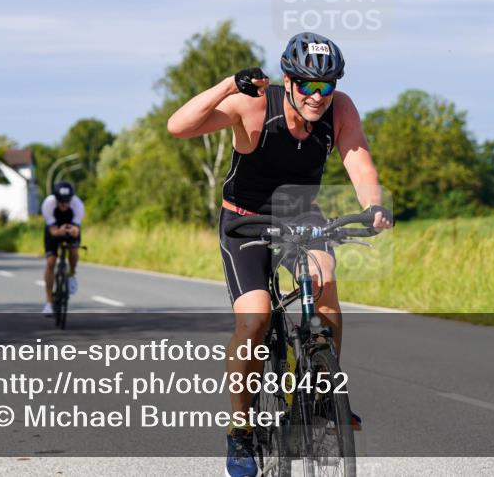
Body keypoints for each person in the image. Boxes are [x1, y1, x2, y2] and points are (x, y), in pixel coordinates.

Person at [167, 31, 393, 477]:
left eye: (325, 86)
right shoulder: (254, 102)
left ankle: (322, 395)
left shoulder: (340, 108)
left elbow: (357, 157)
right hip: (245, 220)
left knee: (324, 284)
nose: (317, 96)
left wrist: (374, 205)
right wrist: (229, 85)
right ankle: (242, 430)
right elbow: (180, 126)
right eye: (307, 85)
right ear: (287, 80)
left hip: (300, 213)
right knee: (255, 318)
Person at [40, 181, 83, 316]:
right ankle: (48, 303)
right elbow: (52, 231)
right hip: (54, 230)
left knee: (74, 251)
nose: (64, 204)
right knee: (51, 262)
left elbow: (77, 228)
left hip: (70, 229)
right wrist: (59, 231)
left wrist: (74, 231)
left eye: (67, 201)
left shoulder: (77, 204)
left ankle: (72, 274)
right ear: (56, 199)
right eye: (61, 201)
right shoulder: (48, 204)